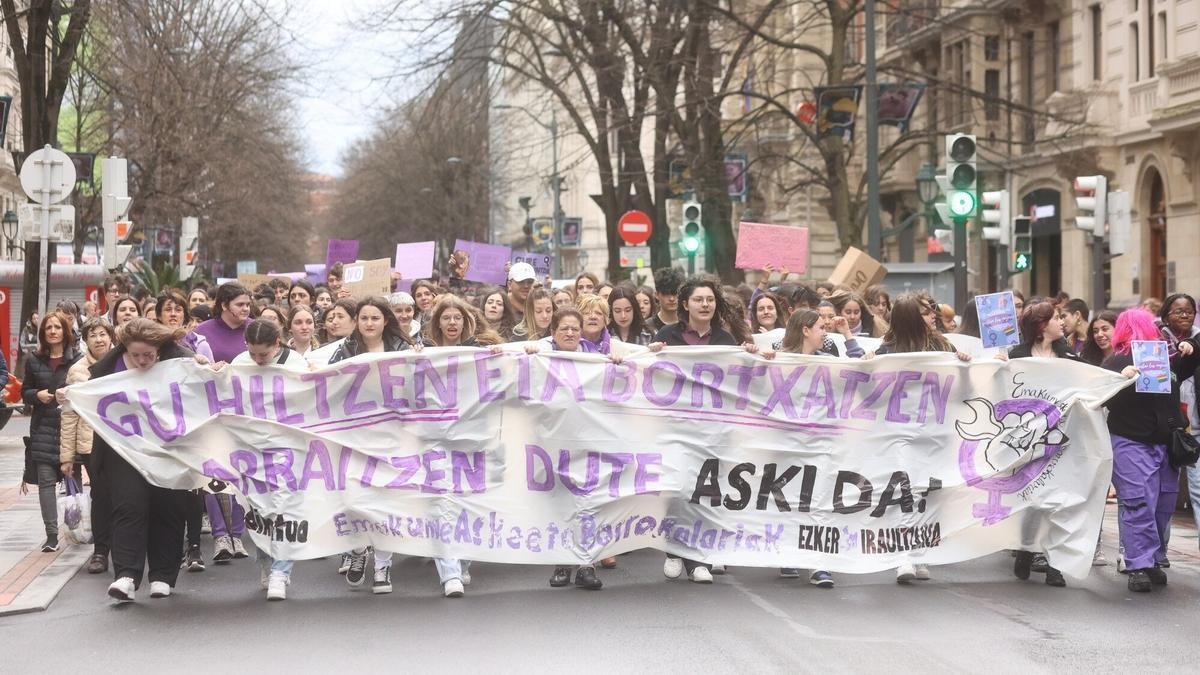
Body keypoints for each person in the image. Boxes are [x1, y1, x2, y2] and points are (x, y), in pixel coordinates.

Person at [650, 277, 764, 583]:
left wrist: (751, 355)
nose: (705, 305)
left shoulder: (725, 341)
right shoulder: (667, 336)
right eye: (699, 300)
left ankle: (697, 558)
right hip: (674, 427)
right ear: (685, 304)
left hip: (712, 431)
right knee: (677, 491)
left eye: (710, 300)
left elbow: (738, 379)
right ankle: (674, 550)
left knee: (704, 491)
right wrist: (651, 354)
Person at [85, 319, 199, 602]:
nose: (142, 361)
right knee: (128, 506)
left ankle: (162, 575)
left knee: (168, 508)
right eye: (135, 355)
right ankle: (126, 575)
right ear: (125, 348)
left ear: (160, 348)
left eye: (149, 355)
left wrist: (207, 367)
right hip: (122, 451)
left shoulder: (180, 361)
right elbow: (89, 398)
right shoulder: (107, 369)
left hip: (168, 449)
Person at [864, 293, 970, 583]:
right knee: (905, 492)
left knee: (929, 492)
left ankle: (921, 550)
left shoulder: (941, 345)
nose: (932, 316)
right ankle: (904, 557)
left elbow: (963, 386)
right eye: (925, 312)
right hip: (898, 432)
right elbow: (867, 391)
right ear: (910, 318)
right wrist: (867, 366)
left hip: (935, 432)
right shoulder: (886, 350)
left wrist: (962, 363)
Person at [524, 307, 625, 590]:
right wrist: (528, 351)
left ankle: (586, 565)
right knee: (560, 506)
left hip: (587, 442)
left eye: (575, 329)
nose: (570, 333)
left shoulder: (594, 359)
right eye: (564, 328)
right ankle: (561, 564)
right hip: (551, 442)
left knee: (587, 506)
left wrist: (616, 361)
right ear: (553, 332)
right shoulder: (539, 356)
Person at [1102, 310, 1199, 592]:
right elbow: (1103, 398)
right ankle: (1138, 564)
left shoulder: (1166, 357)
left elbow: (1188, 368)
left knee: (1163, 504)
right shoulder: (1116, 361)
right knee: (1138, 502)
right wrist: (1121, 379)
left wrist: (1191, 348)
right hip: (1131, 440)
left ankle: (1153, 558)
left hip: (1165, 441)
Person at [230, 319, 310, 600]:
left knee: (286, 508)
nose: (257, 360)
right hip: (252, 450)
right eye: (252, 353)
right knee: (260, 511)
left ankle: (281, 572)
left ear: (277, 344)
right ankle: (266, 563)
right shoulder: (240, 363)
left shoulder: (296, 364)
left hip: (289, 449)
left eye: (263, 354)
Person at [1007, 302, 1082, 587]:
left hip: (1060, 437)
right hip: (1026, 440)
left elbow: (1091, 379)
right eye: (1056, 318)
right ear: (1041, 326)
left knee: (1056, 500)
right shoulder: (1017, 355)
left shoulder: (1067, 354)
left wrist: (1119, 375)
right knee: (1031, 499)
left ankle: (1055, 564)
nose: (1062, 322)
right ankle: (1027, 547)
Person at [191, 283, 253, 564]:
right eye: (240, 304)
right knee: (214, 473)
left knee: (240, 472)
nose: (245, 309)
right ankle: (220, 536)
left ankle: (237, 534)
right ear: (225, 305)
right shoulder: (202, 333)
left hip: (244, 413)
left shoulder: (255, 329)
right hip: (210, 414)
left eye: (248, 305)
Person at [155, 290, 213, 571]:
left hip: (191, 425)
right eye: (168, 309)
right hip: (159, 428)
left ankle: (194, 547)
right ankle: (172, 545)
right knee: (167, 489)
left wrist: (209, 367)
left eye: (179, 309)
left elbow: (210, 380)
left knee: (192, 488)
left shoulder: (198, 346)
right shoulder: (149, 346)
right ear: (158, 315)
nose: (174, 313)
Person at [58, 317, 115, 573]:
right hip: (92, 445)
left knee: (125, 495)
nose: (99, 339)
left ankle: (129, 545)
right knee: (101, 495)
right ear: (85, 340)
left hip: (122, 440)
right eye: (93, 335)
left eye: (102, 334)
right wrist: (66, 457)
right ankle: (101, 551)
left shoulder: (122, 362)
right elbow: (69, 416)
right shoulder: (78, 371)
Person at [24, 312, 75, 552]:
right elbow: (25, 392)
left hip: (69, 429)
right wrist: (37, 395)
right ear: (43, 333)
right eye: (48, 328)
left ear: (65, 331)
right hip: (43, 429)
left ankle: (77, 528)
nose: (53, 331)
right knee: (46, 483)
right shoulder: (34, 360)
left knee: (73, 482)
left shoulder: (77, 359)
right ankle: (52, 534)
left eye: (57, 327)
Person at [648, 267, 684, 332]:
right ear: (656, 295)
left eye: (675, 293)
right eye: (666, 293)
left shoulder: (690, 325)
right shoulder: (648, 327)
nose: (672, 299)